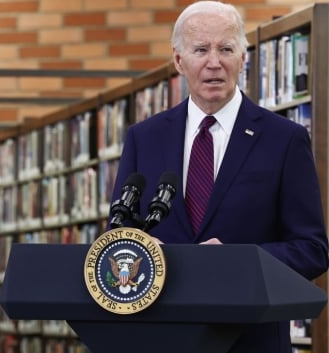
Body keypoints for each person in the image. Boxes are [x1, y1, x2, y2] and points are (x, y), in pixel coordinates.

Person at [107, 1, 329, 352]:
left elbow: (313, 249)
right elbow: (117, 235)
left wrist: (240, 260)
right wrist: (144, 252)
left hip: (250, 341)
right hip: (159, 338)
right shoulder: (144, 138)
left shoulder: (284, 139)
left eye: (226, 49)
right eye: (201, 49)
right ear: (179, 61)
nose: (214, 62)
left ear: (243, 57)